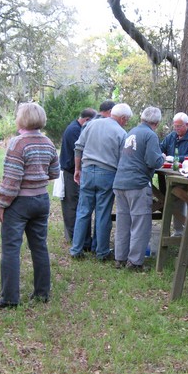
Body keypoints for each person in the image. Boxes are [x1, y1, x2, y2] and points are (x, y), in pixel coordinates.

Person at [0, 103, 60, 308]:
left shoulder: (18, 143)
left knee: (11, 249)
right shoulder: (48, 143)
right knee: (39, 246)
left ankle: (10, 299)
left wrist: (1, 204)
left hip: (19, 203)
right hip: (41, 200)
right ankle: (42, 293)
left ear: (22, 119)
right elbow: (55, 173)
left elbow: (11, 181)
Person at [70, 103, 132, 260]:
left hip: (88, 170)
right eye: (127, 120)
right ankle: (102, 252)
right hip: (108, 173)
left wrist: (78, 169)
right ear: (123, 118)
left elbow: (78, 147)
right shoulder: (121, 132)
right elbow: (121, 160)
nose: (127, 123)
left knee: (83, 211)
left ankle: (76, 249)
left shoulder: (91, 125)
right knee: (103, 213)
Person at [113, 106, 165, 270]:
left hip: (120, 181)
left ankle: (120, 258)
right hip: (137, 183)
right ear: (156, 123)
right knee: (140, 223)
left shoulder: (131, 131)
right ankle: (135, 262)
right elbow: (152, 161)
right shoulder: (150, 135)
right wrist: (161, 158)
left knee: (123, 222)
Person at [159, 112, 188, 235]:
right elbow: (161, 148)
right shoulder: (171, 136)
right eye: (175, 126)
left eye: (179, 126)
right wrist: (161, 154)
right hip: (173, 175)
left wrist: (175, 158)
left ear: (187, 125)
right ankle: (178, 231)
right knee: (177, 201)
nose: (176, 129)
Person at [59, 108, 94, 248]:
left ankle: (78, 238)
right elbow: (79, 151)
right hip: (71, 172)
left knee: (75, 205)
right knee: (73, 206)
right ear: (87, 120)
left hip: (73, 171)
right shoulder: (75, 130)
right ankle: (76, 239)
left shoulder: (75, 127)